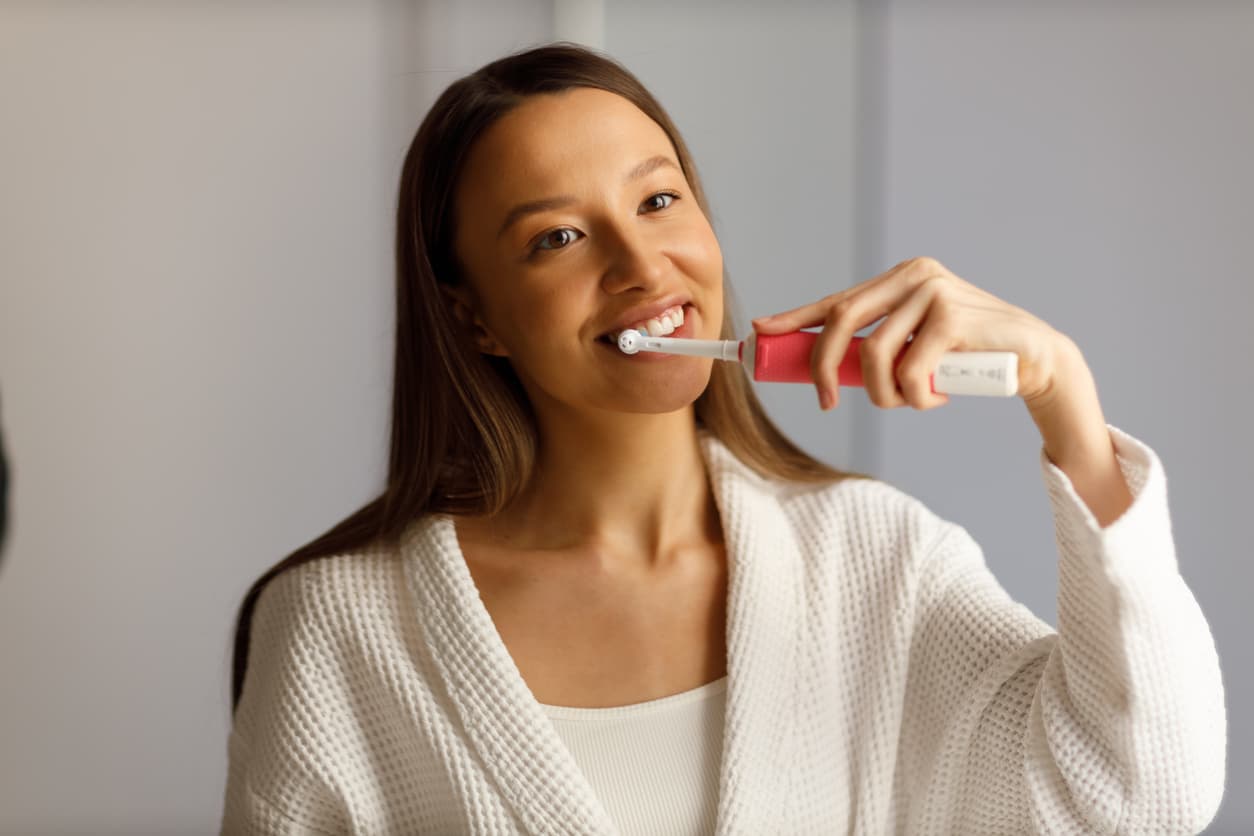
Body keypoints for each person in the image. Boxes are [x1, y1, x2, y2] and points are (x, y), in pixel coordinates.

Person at [220, 43, 1225, 835]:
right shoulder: (334, 631)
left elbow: (1144, 795)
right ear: (475, 316)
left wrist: (1063, 392)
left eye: (659, 199)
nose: (640, 260)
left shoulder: (874, 562)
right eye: (556, 237)